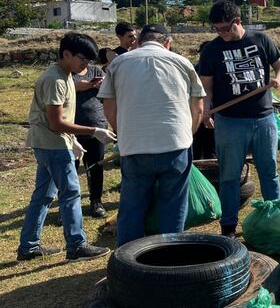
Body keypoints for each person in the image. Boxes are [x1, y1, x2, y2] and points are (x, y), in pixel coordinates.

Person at [99, 24, 206, 245]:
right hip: (175, 144)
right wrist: (189, 134)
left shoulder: (118, 63)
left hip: (134, 147)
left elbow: (109, 108)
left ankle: (128, 263)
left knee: (131, 207)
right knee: (174, 206)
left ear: (139, 41)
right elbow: (199, 108)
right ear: (167, 42)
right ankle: (169, 259)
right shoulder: (182, 62)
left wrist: (124, 133)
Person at [17, 32, 114, 262]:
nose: (85, 65)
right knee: (70, 193)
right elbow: (56, 122)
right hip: (52, 145)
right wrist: (93, 131)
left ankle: (28, 247)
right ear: (66, 54)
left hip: (54, 142)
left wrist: (74, 141)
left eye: (89, 61)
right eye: (82, 59)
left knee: (43, 195)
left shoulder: (66, 75)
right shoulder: (55, 80)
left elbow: (61, 119)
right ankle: (77, 246)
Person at [199, 0, 280, 238]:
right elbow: (206, 87)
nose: (221, 33)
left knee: (269, 170)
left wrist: (278, 78)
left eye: (225, 28)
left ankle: (275, 218)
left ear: (237, 22)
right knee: (229, 175)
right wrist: (206, 110)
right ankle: (228, 226)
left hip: (264, 119)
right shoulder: (212, 50)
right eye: (217, 29)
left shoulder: (260, 40)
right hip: (229, 121)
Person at [72, 62, 108, 218]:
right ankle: (68, 207)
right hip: (72, 128)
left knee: (96, 166)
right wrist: (77, 87)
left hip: (97, 126)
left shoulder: (95, 70)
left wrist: (102, 86)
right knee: (70, 169)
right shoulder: (65, 73)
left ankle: (96, 201)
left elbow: (109, 94)